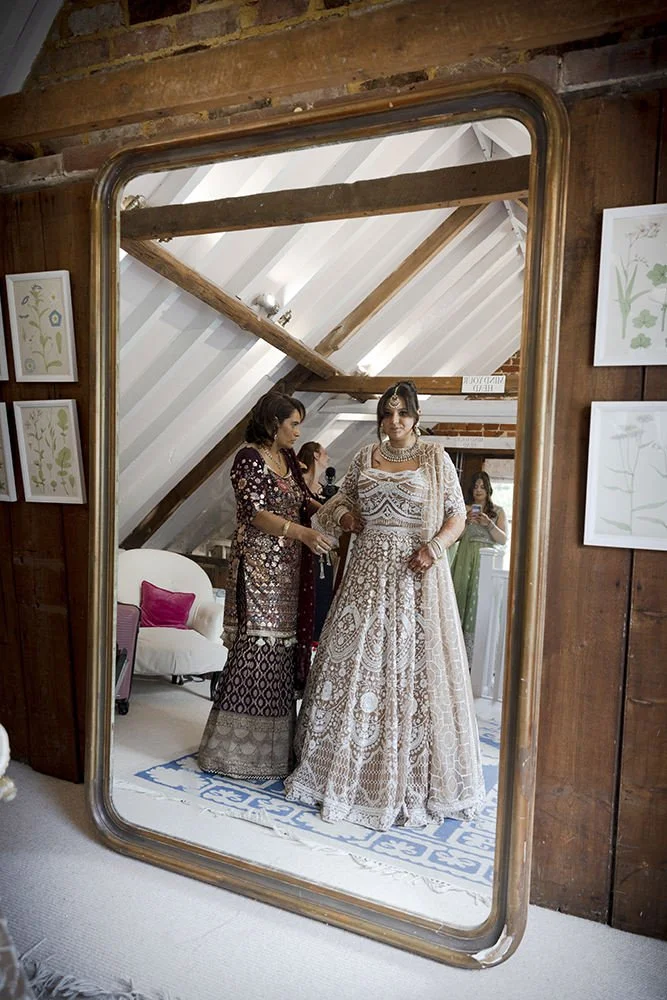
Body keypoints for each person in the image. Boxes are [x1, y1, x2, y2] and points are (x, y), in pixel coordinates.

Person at [284, 381, 485, 831]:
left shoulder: (435, 459)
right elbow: (338, 502)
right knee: (357, 663)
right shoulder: (364, 457)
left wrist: (433, 548)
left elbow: (456, 515)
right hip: (366, 571)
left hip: (416, 573)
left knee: (411, 667)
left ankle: (406, 774)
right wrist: (346, 518)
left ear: (415, 416)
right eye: (388, 414)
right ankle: (343, 770)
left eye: (403, 414)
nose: (395, 422)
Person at [198, 390, 333, 780]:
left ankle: (272, 753)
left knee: (282, 651)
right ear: (274, 423)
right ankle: (231, 751)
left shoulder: (288, 460)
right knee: (257, 647)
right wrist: (303, 533)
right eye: (293, 424)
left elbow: (304, 500)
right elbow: (254, 513)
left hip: (289, 571)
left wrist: (336, 517)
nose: (298, 431)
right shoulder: (248, 458)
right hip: (257, 568)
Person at [450, 471, 507, 661]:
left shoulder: (497, 512)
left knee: (480, 602)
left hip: (485, 563)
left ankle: (476, 656)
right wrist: (465, 521)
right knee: (459, 598)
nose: (479, 490)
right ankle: (454, 652)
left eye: (482, 486)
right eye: (475, 486)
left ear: (489, 489)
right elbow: (455, 537)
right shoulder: (464, 509)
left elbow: (503, 539)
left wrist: (489, 524)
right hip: (465, 559)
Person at [297, 441, 338, 641]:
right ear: (314, 455)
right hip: (302, 550)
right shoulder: (299, 485)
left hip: (324, 555)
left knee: (322, 601)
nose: (328, 457)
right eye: (324, 453)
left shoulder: (325, 490)